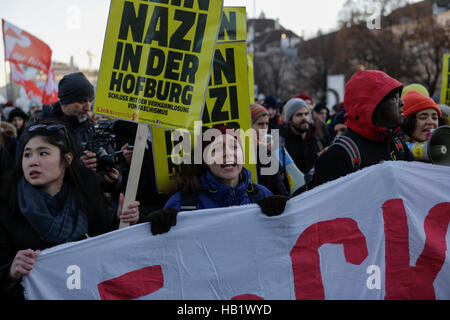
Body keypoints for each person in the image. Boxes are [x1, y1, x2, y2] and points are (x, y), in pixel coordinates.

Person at [0, 120, 140, 299]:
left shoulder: (88, 197)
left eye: (43, 153)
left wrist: (122, 221)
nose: (33, 162)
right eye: (27, 155)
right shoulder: (7, 203)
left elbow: (104, 251)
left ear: (67, 159)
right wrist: (11, 271)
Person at [142, 125, 289, 235]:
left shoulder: (261, 195)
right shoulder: (183, 204)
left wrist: (285, 214)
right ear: (205, 159)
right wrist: (145, 227)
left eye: (234, 147)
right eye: (217, 149)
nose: (228, 154)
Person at [310, 70, 415, 189]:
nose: (402, 102)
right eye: (395, 97)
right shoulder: (337, 156)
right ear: (372, 105)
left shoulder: (397, 145)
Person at [250, 104, 289, 196]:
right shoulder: (244, 150)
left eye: (266, 124)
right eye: (260, 124)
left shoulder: (270, 146)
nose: (264, 128)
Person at [279, 98, 324, 176]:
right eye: (299, 115)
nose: (304, 118)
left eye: (306, 114)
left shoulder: (317, 137)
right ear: (290, 119)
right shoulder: (281, 140)